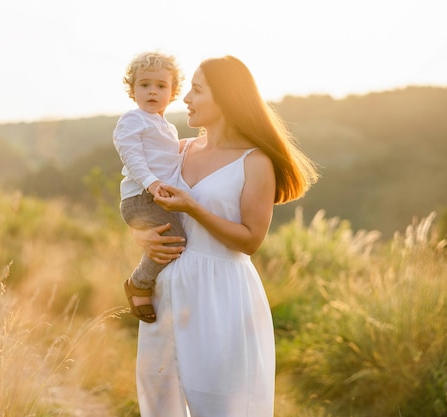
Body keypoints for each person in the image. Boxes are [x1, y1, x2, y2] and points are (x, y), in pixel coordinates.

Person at [131, 55, 319, 416]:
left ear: (226, 99)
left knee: (221, 406)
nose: (184, 98)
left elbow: (250, 239)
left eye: (197, 90)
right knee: (158, 403)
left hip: (222, 295)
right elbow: (141, 198)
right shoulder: (178, 149)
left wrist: (194, 208)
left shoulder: (254, 161)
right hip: (167, 291)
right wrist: (143, 236)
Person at [113, 51, 187, 323]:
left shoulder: (167, 127)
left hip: (154, 196)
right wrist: (151, 182)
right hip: (140, 198)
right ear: (132, 90)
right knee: (175, 240)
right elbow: (131, 156)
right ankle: (140, 283)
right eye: (144, 85)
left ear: (173, 92)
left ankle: (162, 291)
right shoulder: (134, 119)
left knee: (177, 239)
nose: (152, 91)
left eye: (161, 85)